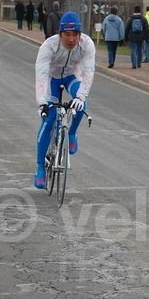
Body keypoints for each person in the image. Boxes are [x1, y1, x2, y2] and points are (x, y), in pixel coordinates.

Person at [33, 11, 96, 188]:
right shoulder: (49, 46)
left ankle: (72, 133)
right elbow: (42, 74)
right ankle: (40, 168)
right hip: (52, 79)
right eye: (67, 35)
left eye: (75, 35)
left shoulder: (87, 44)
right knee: (49, 119)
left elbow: (88, 71)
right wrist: (42, 103)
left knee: (81, 104)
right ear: (60, 34)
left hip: (72, 77)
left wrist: (81, 96)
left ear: (79, 34)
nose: (71, 39)